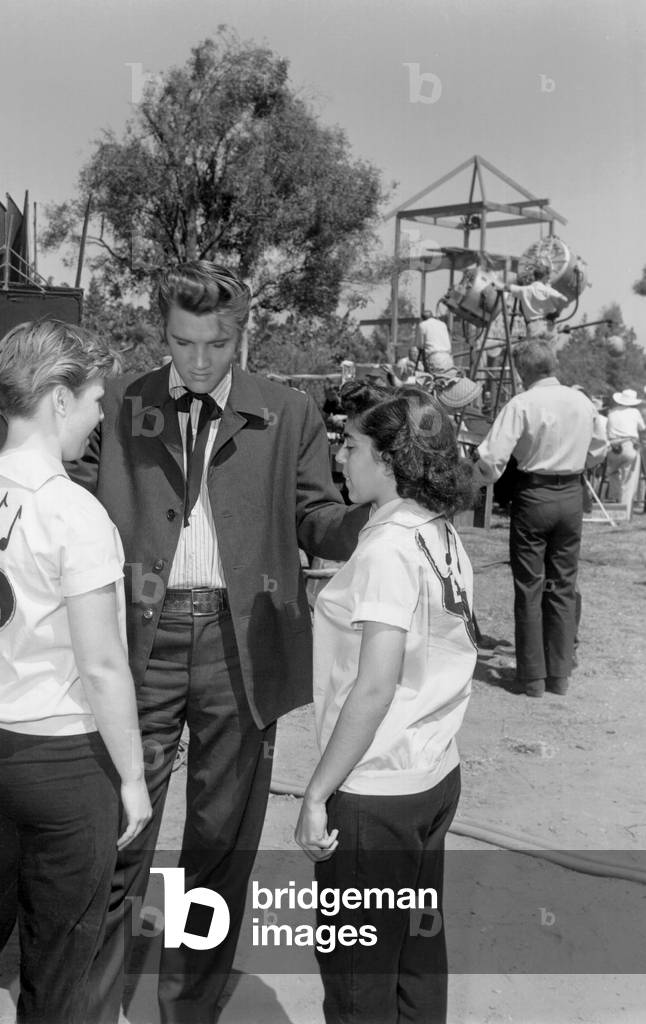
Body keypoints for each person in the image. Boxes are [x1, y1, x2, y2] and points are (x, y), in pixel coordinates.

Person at [0, 261, 368, 1024]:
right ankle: (90, 1004)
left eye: (217, 343)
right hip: (134, 640)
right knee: (116, 832)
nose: (199, 361)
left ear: (245, 333)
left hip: (243, 647)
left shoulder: (289, 411)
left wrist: (377, 512)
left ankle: (187, 1009)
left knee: (218, 844)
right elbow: (51, 472)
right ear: (162, 333)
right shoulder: (126, 402)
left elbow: (317, 519)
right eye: (182, 342)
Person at [0, 320, 151, 1024]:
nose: (98, 415)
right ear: (57, 398)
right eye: (93, 399)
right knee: (61, 959)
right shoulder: (76, 517)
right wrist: (135, 780)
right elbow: (105, 665)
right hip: (60, 763)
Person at [295, 382, 477, 1024]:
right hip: (431, 771)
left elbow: (373, 687)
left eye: (350, 445)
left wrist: (317, 795)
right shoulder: (438, 532)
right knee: (416, 955)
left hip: (377, 792)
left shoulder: (387, 547)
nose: (341, 458)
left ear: (390, 459)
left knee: (357, 976)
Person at [475, 341, 607, 697]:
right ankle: (560, 675)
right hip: (571, 496)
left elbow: (491, 460)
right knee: (563, 585)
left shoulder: (521, 404)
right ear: (553, 364)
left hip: (534, 494)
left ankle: (532, 677)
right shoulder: (582, 401)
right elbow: (598, 451)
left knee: (530, 586)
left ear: (522, 371)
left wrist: (474, 481)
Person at [499, 262, 570, 343]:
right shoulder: (549, 291)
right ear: (545, 277)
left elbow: (506, 287)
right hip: (549, 328)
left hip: (534, 328)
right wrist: (557, 312)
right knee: (548, 354)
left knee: (533, 353)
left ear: (534, 276)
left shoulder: (524, 290)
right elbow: (565, 301)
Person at [605, 387, 645, 519]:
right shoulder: (634, 412)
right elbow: (642, 428)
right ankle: (625, 510)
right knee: (630, 479)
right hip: (629, 445)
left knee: (612, 473)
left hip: (613, 446)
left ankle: (616, 498)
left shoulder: (611, 413)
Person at [418, 310, 455, 375]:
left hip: (435, 357)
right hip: (448, 357)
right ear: (432, 316)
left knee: (437, 380)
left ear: (423, 318)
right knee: (449, 379)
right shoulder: (442, 324)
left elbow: (421, 346)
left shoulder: (423, 325)